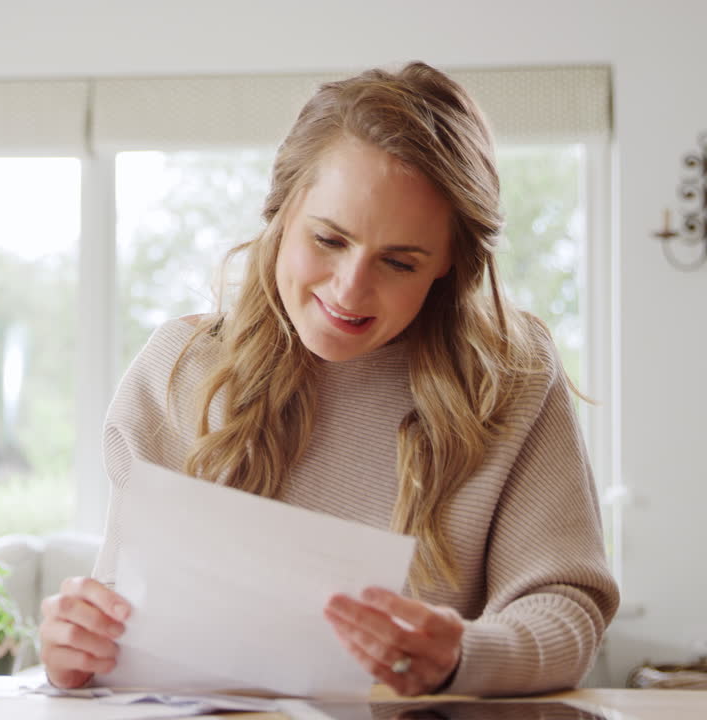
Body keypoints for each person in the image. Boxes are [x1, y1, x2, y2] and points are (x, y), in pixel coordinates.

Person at [38, 61, 618, 698]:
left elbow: (566, 606)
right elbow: (121, 621)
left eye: (399, 261)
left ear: (450, 263)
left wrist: (464, 656)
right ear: (283, 211)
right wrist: (77, 652)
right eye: (329, 238)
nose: (350, 290)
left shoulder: (510, 375)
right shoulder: (180, 368)